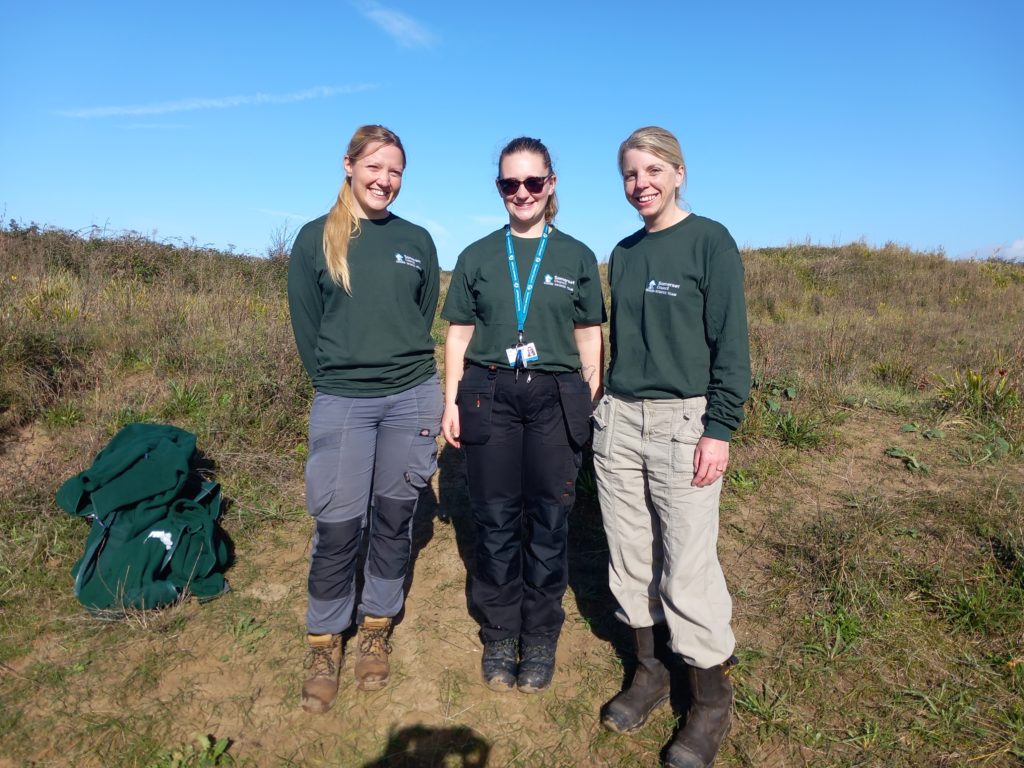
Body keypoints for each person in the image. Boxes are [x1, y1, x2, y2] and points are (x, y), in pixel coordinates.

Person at [593, 126, 750, 768]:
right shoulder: (624, 252)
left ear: (680, 173)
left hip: (686, 423)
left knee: (687, 563)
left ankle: (711, 700)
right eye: (631, 174)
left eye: (654, 170)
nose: (642, 184)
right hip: (621, 420)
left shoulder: (710, 240)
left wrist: (720, 429)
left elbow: (731, 345)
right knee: (630, 555)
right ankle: (651, 672)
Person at [287, 124, 443, 713]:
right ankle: (325, 638)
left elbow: (418, 314)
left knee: (396, 516)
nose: (385, 181)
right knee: (337, 525)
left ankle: (376, 624)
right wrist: (340, 381)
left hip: (412, 397)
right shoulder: (313, 239)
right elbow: (308, 327)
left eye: (395, 172)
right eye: (375, 167)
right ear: (348, 165)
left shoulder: (418, 239)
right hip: (344, 401)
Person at [441, 137, 604, 693]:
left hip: (555, 395)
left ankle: (539, 635)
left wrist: (588, 395)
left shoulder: (577, 256)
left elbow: (589, 335)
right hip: (489, 391)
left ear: (551, 185)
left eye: (533, 182)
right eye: (511, 183)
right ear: (500, 189)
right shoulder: (478, 255)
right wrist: (451, 402)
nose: (522, 193)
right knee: (494, 519)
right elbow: (458, 334)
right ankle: (499, 632)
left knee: (549, 520)